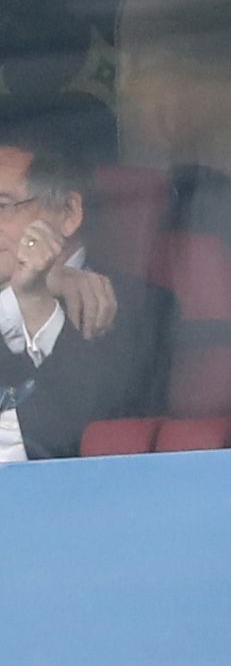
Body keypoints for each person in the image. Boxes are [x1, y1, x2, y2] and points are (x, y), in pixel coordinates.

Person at [0, 123, 174, 461]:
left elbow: (70, 434)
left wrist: (37, 304)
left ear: (68, 213)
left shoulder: (141, 306)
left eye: (2, 205)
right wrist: (40, 286)